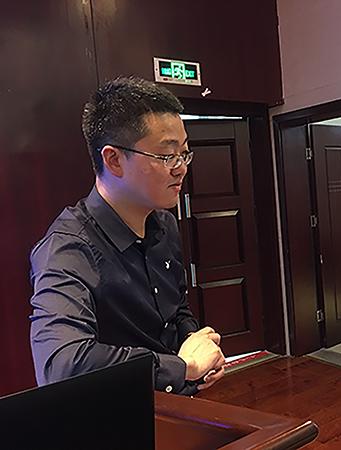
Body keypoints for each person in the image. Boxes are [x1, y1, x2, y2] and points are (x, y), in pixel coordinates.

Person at [30, 77, 225, 396]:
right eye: (167, 156)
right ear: (113, 160)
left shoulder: (163, 223)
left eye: (184, 153)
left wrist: (195, 340)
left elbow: (174, 309)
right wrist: (183, 367)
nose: (181, 168)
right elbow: (62, 366)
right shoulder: (67, 248)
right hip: (117, 415)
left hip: (179, 403)